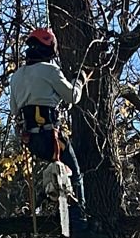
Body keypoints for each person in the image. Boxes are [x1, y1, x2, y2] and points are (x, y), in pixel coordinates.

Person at [9, 26, 88, 224]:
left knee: (59, 172)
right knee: (75, 175)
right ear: (49, 49)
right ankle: (80, 222)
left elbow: (14, 109)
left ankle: (50, 206)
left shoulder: (16, 77)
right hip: (51, 137)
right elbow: (72, 96)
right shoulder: (50, 70)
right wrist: (79, 81)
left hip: (32, 140)